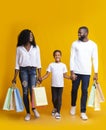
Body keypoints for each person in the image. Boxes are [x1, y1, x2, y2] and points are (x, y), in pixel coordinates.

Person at [12, 29, 41, 121]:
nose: (32, 37)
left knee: (33, 91)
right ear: (25, 37)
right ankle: (28, 112)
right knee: (25, 92)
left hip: (33, 71)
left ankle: (34, 109)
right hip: (23, 71)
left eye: (32, 36)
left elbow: (39, 62)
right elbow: (17, 64)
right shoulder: (19, 48)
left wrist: (39, 75)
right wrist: (14, 77)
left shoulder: (36, 48)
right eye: (30, 36)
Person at [70, 26, 98, 120]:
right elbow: (72, 58)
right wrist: (72, 72)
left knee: (84, 91)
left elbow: (95, 59)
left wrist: (96, 72)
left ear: (86, 33)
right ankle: (73, 106)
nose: (78, 34)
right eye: (78, 32)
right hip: (76, 72)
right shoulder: (75, 44)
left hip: (86, 72)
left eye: (80, 33)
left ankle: (83, 111)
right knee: (74, 90)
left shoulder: (93, 45)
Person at [40, 50, 71, 119]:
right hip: (53, 85)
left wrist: (70, 77)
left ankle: (58, 112)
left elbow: (65, 75)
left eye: (58, 55)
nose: (57, 56)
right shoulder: (51, 65)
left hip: (60, 85)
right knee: (54, 99)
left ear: (60, 56)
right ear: (54, 56)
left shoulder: (63, 65)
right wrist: (41, 78)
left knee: (59, 98)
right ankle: (55, 108)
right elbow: (47, 74)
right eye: (56, 55)